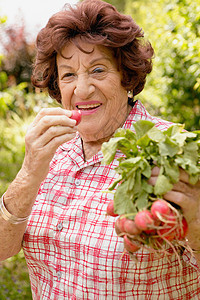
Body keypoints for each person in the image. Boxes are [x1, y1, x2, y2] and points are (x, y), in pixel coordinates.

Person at [0, 0, 200, 298]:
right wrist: (29, 173)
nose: (81, 90)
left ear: (126, 76)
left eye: (97, 70)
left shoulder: (169, 149)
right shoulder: (53, 150)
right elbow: (3, 248)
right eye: (68, 75)